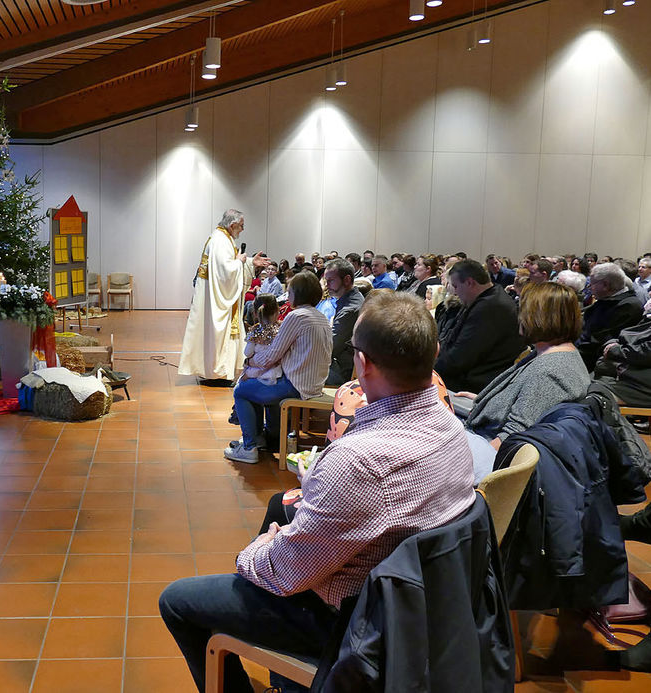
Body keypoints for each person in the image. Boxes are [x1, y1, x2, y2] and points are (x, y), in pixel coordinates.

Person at [160, 291, 476, 693]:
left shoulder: (358, 461)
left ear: (361, 364)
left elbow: (287, 574)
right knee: (279, 506)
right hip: (417, 604)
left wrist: (257, 550)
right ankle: (284, 678)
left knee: (177, 600)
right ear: (433, 352)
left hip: (351, 621)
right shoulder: (449, 426)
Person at [458, 283, 591, 482]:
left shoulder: (550, 371)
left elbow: (513, 435)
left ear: (538, 317)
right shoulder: (553, 352)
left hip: (490, 455)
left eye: (523, 310)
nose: (519, 316)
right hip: (483, 433)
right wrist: (487, 400)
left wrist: (461, 461)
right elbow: (527, 402)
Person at [224, 271, 331, 463]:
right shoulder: (320, 316)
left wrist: (250, 364)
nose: (287, 296)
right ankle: (262, 439)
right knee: (255, 386)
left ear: (296, 294)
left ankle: (249, 447)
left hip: (296, 384)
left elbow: (272, 355)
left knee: (241, 391)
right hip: (314, 382)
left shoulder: (296, 316)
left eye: (289, 292)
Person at [178, 210, 270, 383]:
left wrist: (249, 262)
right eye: (241, 226)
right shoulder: (221, 240)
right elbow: (225, 271)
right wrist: (241, 262)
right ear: (232, 225)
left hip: (214, 294)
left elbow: (228, 263)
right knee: (218, 332)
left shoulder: (222, 237)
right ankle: (217, 373)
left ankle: (214, 371)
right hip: (216, 298)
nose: (242, 229)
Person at [434, 259, 526, 393]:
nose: (455, 292)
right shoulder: (491, 297)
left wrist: (427, 370)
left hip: (475, 384)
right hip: (471, 374)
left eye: (456, 286)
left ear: (470, 282)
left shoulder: (491, 307)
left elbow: (459, 358)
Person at [575, 262, 644, 371]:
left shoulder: (628, 306)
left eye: (592, 284)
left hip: (592, 362)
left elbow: (598, 342)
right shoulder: (607, 300)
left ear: (606, 285)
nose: (589, 288)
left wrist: (569, 353)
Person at [323, 259, 364, 387]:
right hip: (342, 364)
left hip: (342, 372)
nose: (327, 285)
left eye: (331, 281)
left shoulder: (350, 309)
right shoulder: (352, 299)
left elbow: (329, 349)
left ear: (346, 280)